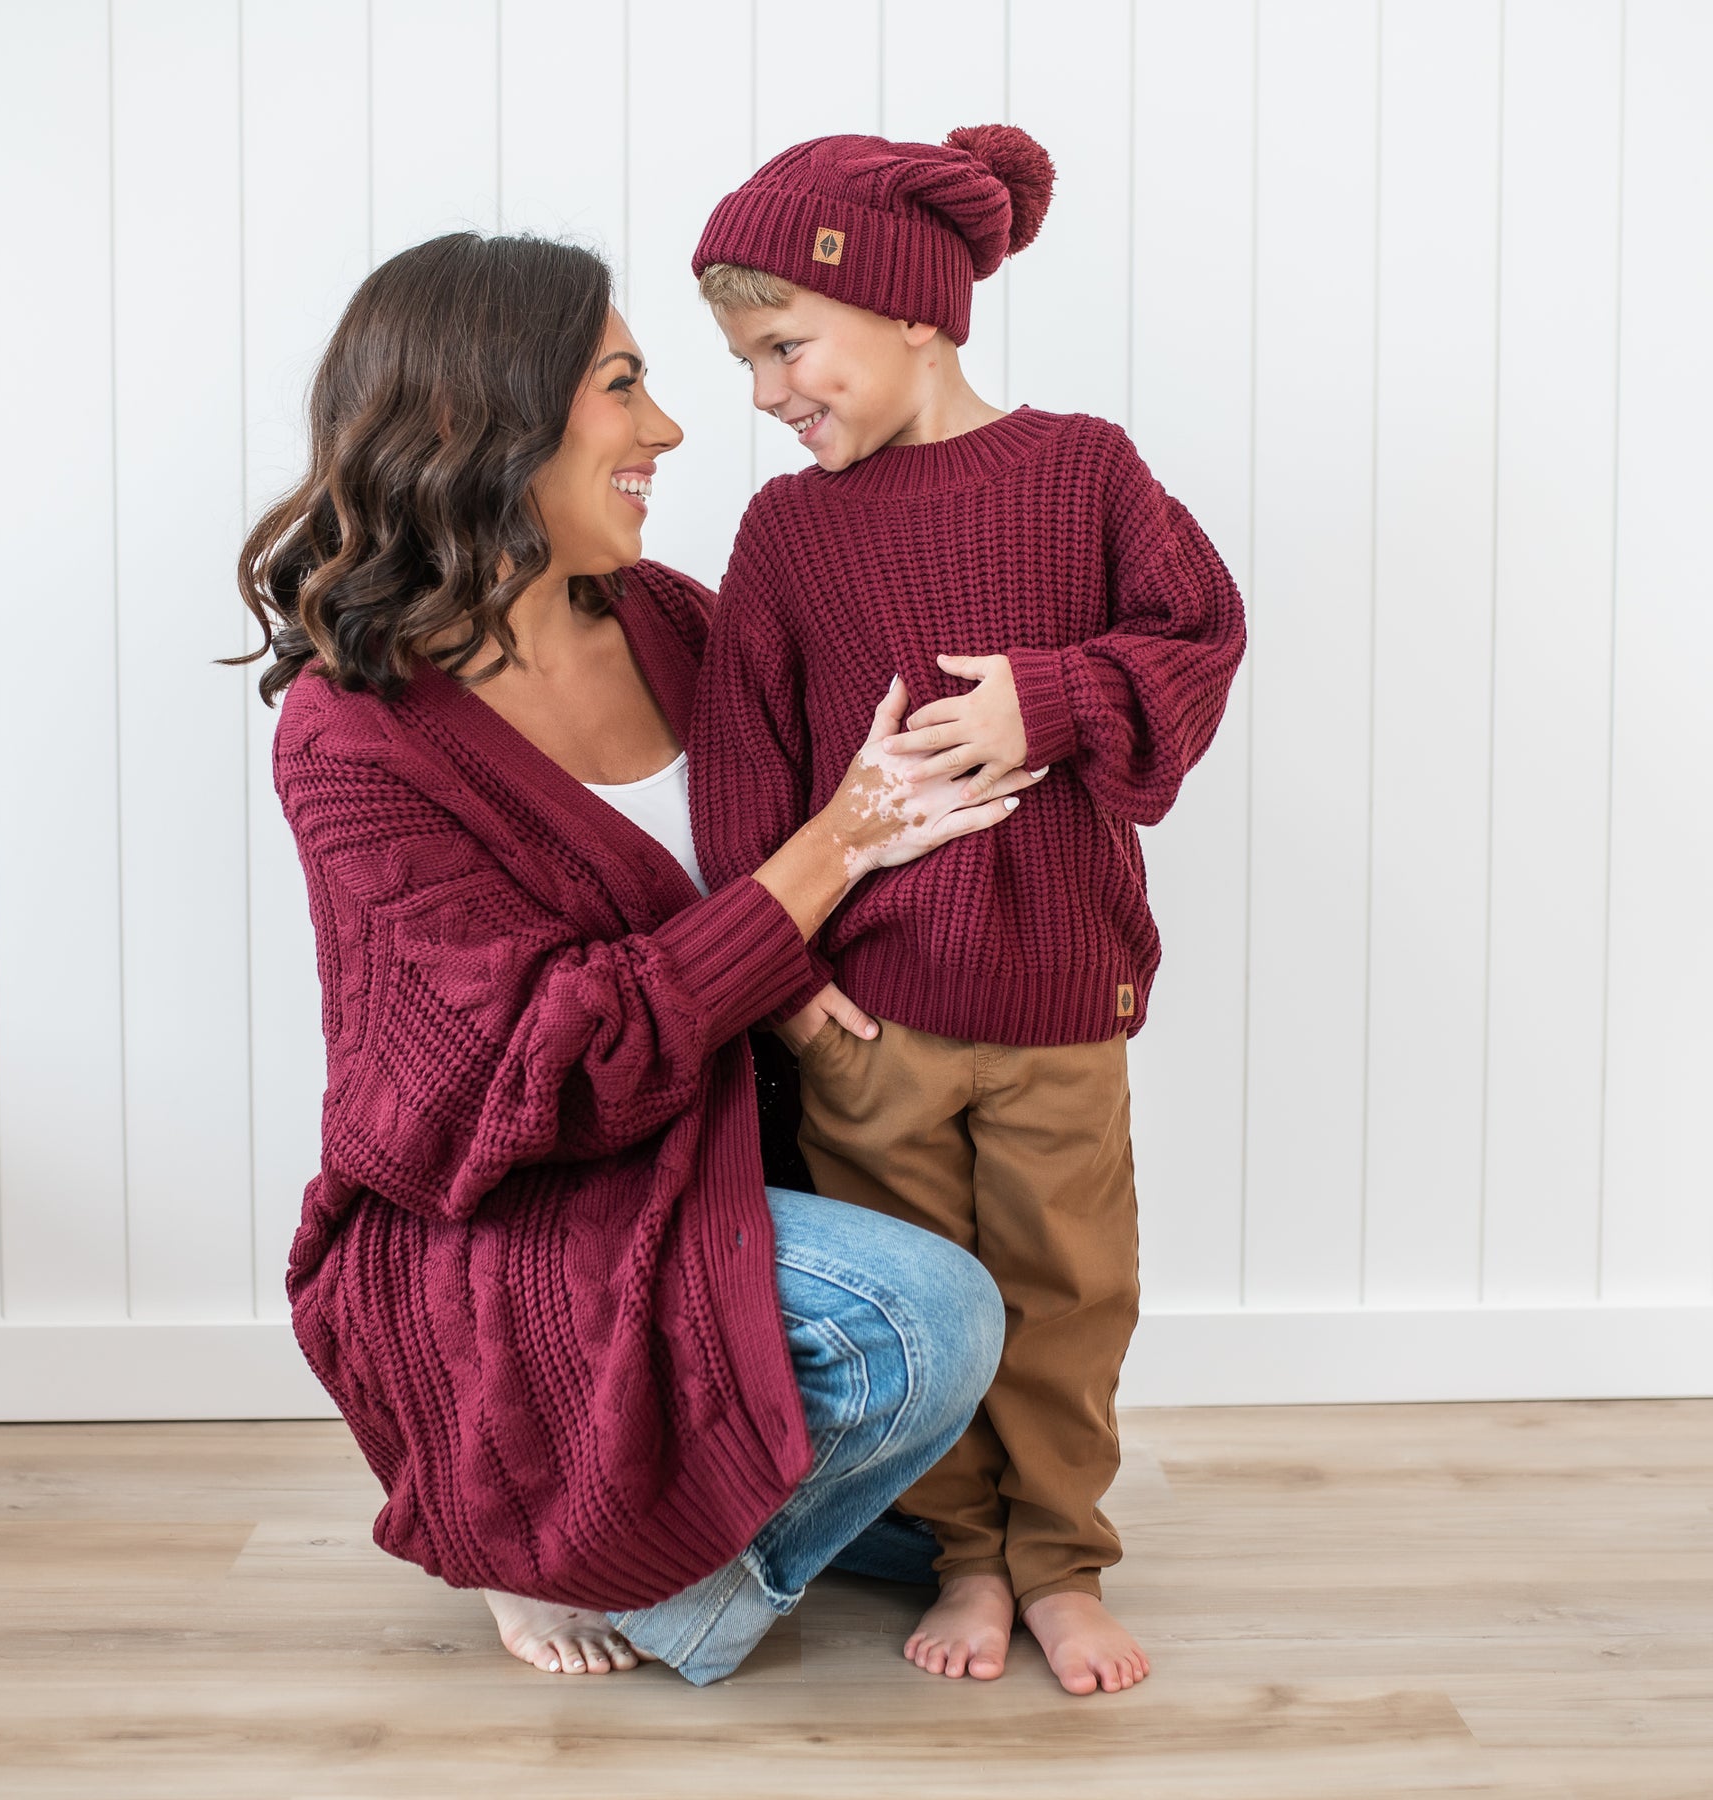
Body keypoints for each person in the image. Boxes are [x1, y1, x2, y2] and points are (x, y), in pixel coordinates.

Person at [230, 231, 1045, 1686]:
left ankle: (642, 1535)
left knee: (974, 1494)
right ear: (491, 416)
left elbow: (873, 761)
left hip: (726, 1150)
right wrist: (835, 847)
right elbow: (541, 1060)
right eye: (622, 385)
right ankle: (565, 1557)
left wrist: (1051, 687)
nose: (667, 428)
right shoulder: (354, 734)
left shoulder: (671, 622)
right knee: (927, 1321)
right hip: (521, 1203)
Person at [688, 125, 1248, 1696]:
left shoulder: (1085, 472)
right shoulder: (786, 534)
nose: (766, 393)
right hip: (871, 1022)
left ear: (911, 311)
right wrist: (783, 982)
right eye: (744, 363)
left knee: (1068, 1294)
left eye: (785, 346)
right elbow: (742, 768)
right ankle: (964, 1556)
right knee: (929, 1302)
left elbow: (1199, 633)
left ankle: (1060, 1560)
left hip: (1063, 997)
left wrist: (1050, 701)